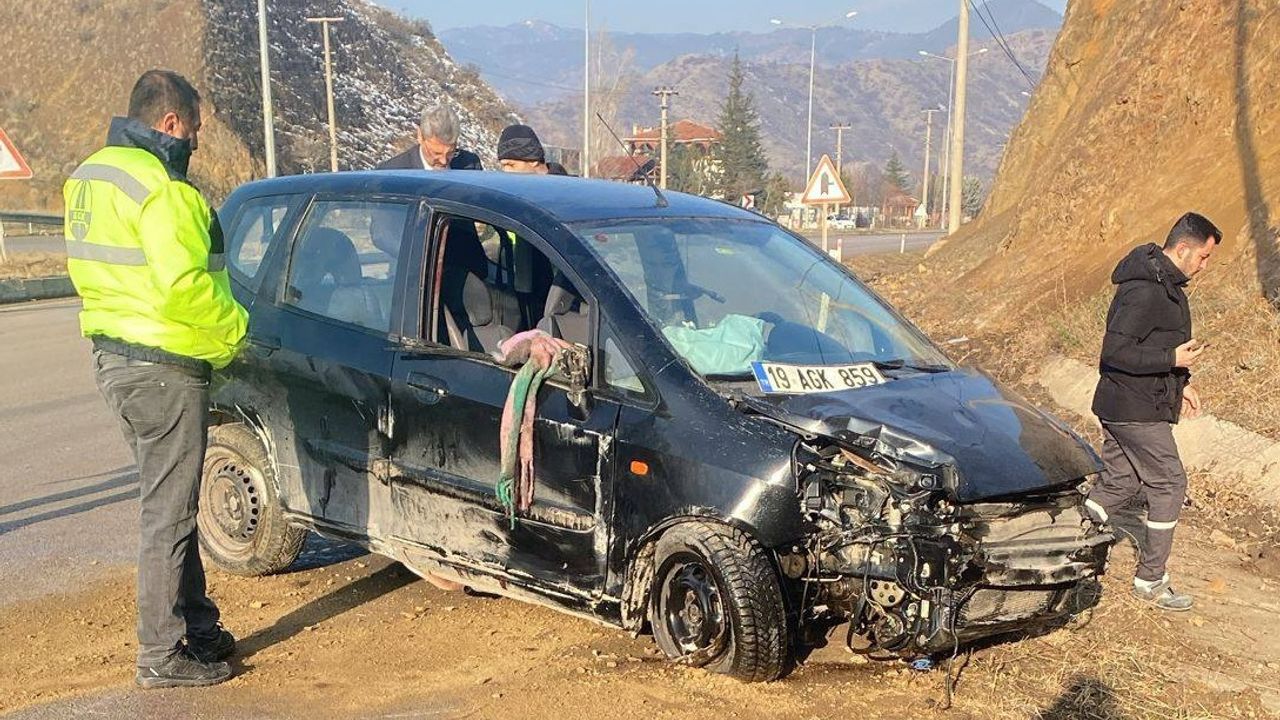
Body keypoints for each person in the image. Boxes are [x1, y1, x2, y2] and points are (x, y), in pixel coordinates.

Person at [63, 70, 247, 687]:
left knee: (172, 503)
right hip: (165, 364)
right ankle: (160, 655)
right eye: (194, 127)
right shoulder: (163, 189)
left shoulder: (90, 177)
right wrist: (239, 330)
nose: (196, 139)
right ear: (170, 122)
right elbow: (184, 288)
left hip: (114, 358)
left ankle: (199, 627)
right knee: (168, 513)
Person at [1085, 211, 1220, 612]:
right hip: (1134, 408)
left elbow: (1158, 345)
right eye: (1203, 257)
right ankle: (1151, 580)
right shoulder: (1146, 291)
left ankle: (1067, 536)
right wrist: (1171, 359)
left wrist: (1182, 382)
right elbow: (1115, 352)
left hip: (1130, 402)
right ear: (1183, 248)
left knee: (1120, 482)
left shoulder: (1166, 285)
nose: (1204, 265)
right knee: (1169, 483)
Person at [378, 102, 483, 171]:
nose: (443, 161)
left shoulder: (470, 165)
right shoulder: (392, 173)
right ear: (420, 136)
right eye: (436, 153)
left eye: (451, 153)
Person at [495, 124, 569, 176]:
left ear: (533, 161)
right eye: (503, 166)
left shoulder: (570, 190)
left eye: (511, 165)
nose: (506, 171)